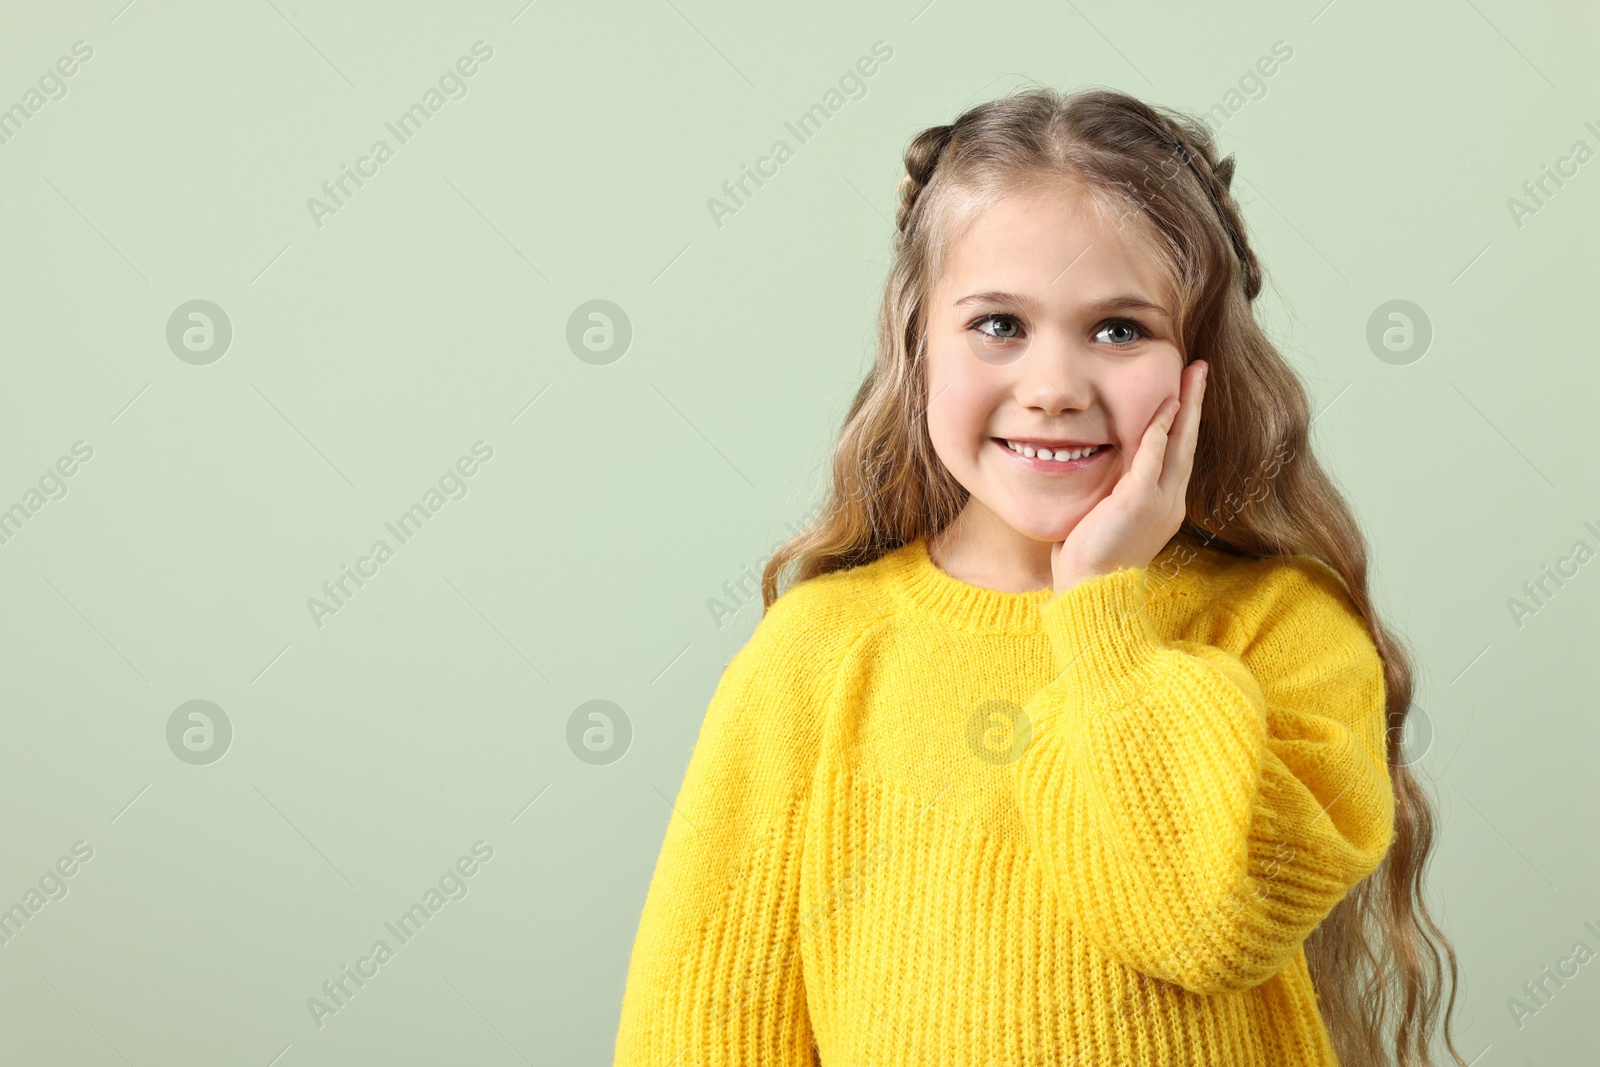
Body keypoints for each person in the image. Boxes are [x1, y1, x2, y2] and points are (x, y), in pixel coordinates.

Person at [612, 86, 1466, 1067]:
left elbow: (1207, 919)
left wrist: (1102, 601)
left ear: (1199, 364)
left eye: (1118, 329)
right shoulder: (816, 653)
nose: (1055, 387)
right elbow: (703, 1028)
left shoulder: (1286, 630)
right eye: (997, 324)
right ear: (915, 340)